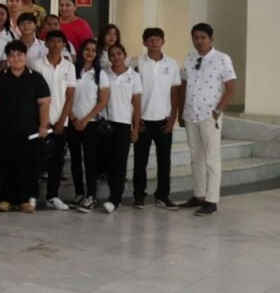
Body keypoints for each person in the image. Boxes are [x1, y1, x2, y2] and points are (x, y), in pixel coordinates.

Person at [179, 23, 236, 216]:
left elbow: (231, 88)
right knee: (196, 157)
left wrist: (218, 111)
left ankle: (212, 200)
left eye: (203, 37)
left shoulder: (222, 59)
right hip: (190, 114)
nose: (199, 41)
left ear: (211, 39)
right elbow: (183, 86)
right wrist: (181, 112)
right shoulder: (189, 58)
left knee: (211, 157)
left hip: (209, 115)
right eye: (195, 37)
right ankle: (199, 195)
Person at [0, 41, 51, 213]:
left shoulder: (35, 78)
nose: (16, 58)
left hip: (30, 131)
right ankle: (6, 198)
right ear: (7, 58)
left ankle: (26, 199)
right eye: (12, 55)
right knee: (7, 164)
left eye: (19, 55)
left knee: (28, 165)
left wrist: (43, 125)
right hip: (5, 130)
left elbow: (44, 103)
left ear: (25, 56)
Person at [133, 27, 181, 210]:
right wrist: (135, 119)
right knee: (140, 161)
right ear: (144, 42)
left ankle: (162, 196)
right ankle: (139, 195)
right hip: (143, 120)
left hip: (163, 120)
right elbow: (132, 93)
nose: (154, 43)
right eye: (150, 40)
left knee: (164, 161)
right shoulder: (136, 63)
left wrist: (173, 117)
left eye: (157, 39)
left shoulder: (172, 63)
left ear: (163, 41)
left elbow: (175, 92)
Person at [30, 30, 76, 211]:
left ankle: (53, 195)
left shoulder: (69, 67)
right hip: (40, 121)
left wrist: (62, 120)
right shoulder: (36, 64)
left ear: (64, 44)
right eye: (52, 40)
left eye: (59, 41)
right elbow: (32, 94)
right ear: (46, 43)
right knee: (35, 161)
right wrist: (42, 121)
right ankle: (31, 195)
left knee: (57, 161)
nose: (56, 44)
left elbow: (70, 96)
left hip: (60, 121)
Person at [101, 44, 141, 214]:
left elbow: (137, 104)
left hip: (123, 124)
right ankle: (111, 195)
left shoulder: (134, 76)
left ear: (125, 55)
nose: (116, 57)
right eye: (112, 54)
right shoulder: (104, 74)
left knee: (119, 163)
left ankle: (115, 199)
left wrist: (135, 128)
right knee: (108, 162)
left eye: (119, 53)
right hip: (106, 124)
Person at [71, 39, 109, 213]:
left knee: (90, 160)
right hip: (72, 122)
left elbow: (103, 101)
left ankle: (91, 196)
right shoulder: (72, 70)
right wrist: (73, 118)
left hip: (91, 124)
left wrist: (86, 120)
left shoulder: (101, 74)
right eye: (87, 49)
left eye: (94, 50)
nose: (90, 52)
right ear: (82, 51)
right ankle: (79, 193)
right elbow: (66, 96)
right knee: (75, 160)